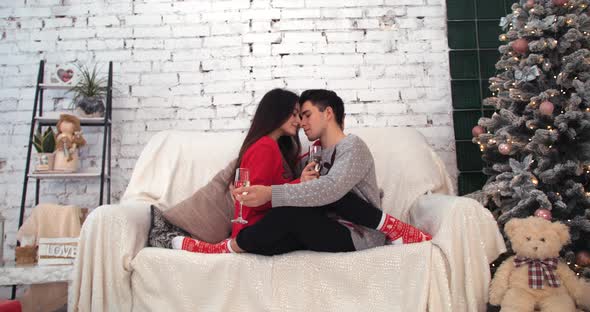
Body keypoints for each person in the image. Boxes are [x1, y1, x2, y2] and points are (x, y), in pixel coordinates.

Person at [174, 89, 432, 255]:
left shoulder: (352, 146)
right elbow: (296, 186)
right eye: (299, 116)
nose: (301, 123)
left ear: (328, 113)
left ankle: (394, 227)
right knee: (273, 237)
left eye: (307, 115)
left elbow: (328, 191)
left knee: (316, 198)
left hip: (359, 234)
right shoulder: (314, 153)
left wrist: (270, 194)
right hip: (328, 226)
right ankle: (224, 247)